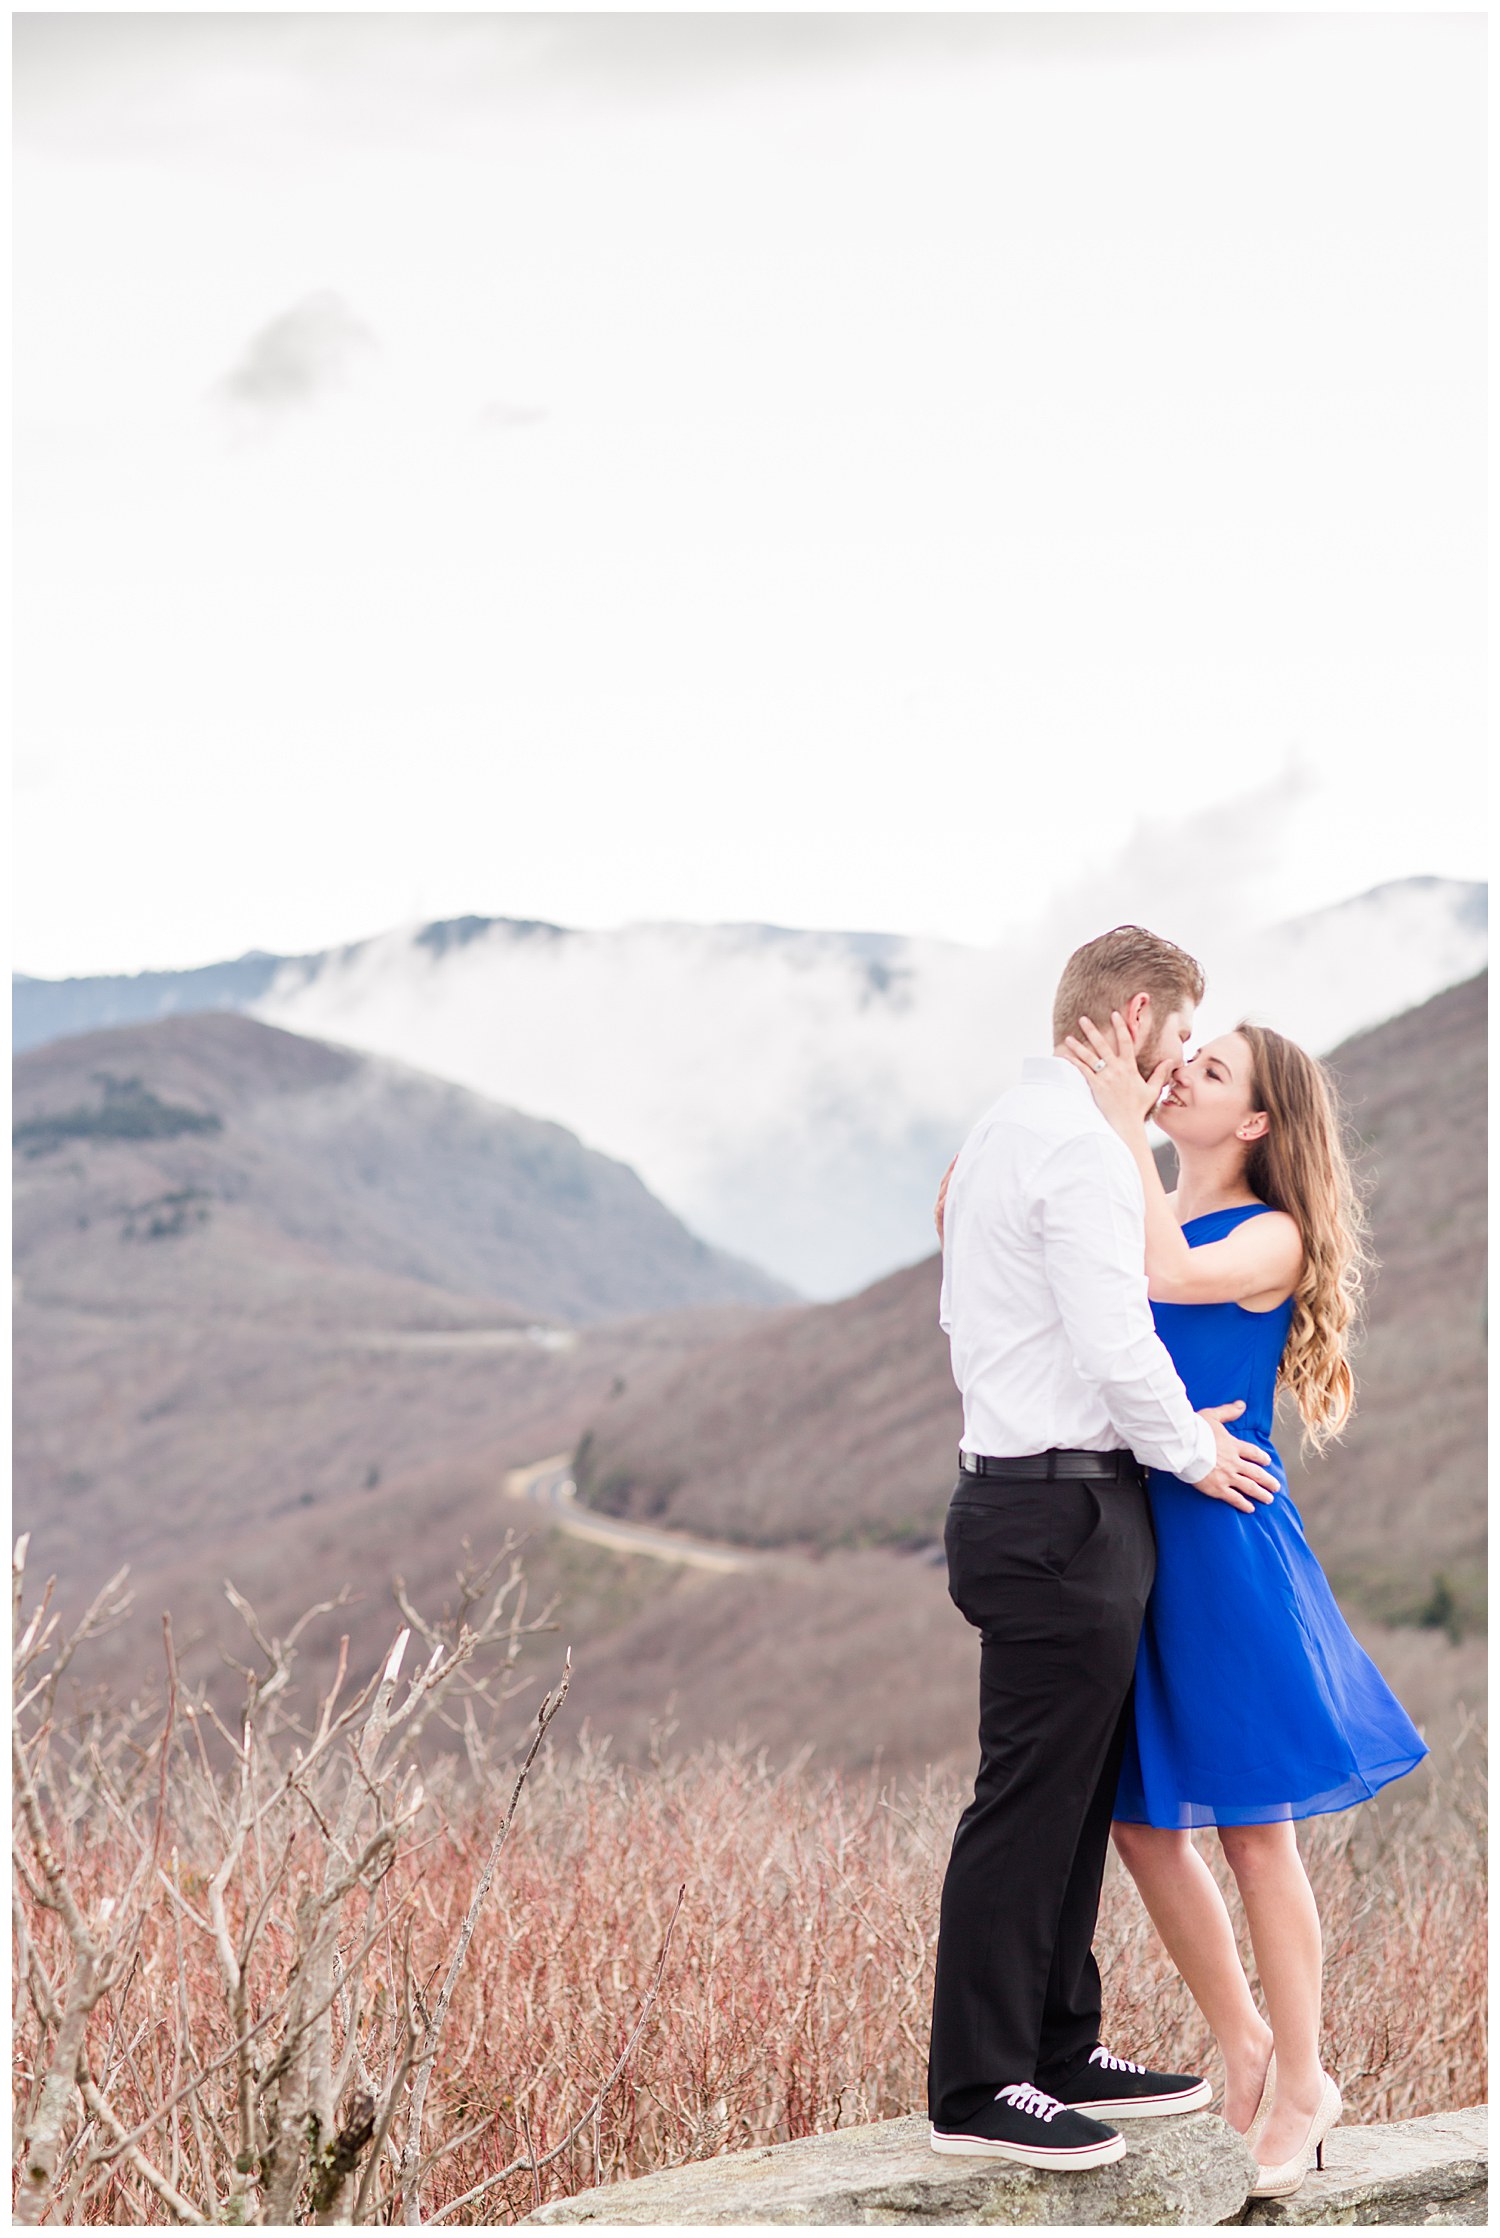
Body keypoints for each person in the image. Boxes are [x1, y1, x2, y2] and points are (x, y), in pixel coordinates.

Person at [927, 925, 1281, 2173]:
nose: (1179, 1061)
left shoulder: (1002, 1135)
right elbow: (1115, 1339)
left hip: (1035, 1501)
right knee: (1030, 1802)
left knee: (1072, 1796)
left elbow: (970, 1306)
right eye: (1179, 1037)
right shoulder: (1076, 1149)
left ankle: (1060, 2045)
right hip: (1058, 1508)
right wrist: (1196, 1450)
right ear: (1135, 1017)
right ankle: (980, 2085)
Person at [1057, 1005, 1426, 2201]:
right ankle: (1245, 2043)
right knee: (1141, 1821)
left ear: (1255, 1121)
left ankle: (1305, 2076)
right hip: (1146, 1528)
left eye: (1208, 1072)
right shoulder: (1147, 1197)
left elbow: (1167, 1277)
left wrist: (1121, 1124)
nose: (1180, 1076)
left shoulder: (1271, 1232)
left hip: (1224, 1541)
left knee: (1257, 1827)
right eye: (1188, 1060)